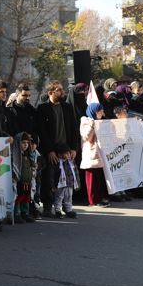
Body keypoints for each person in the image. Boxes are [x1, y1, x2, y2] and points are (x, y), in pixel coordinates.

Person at [36, 80, 79, 210]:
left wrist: (74, 148)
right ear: (50, 92)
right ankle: (49, 207)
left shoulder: (67, 107)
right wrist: (49, 151)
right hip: (51, 151)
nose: (62, 92)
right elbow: (42, 132)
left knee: (67, 181)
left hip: (66, 150)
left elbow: (73, 128)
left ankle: (67, 207)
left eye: (62, 89)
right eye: (59, 90)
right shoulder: (43, 108)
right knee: (50, 180)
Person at [80, 103, 110, 207]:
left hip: (100, 154)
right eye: (100, 111)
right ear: (94, 112)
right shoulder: (86, 122)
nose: (102, 113)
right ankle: (93, 201)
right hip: (91, 154)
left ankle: (100, 198)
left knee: (99, 179)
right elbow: (86, 137)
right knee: (91, 179)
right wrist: (92, 125)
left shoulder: (101, 122)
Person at [11, 133, 37, 223]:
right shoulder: (15, 156)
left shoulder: (28, 155)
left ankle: (24, 213)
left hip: (27, 181)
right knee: (18, 198)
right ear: (18, 143)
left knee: (26, 198)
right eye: (23, 142)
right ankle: (16, 214)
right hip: (19, 181)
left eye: (27, 142)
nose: (26, 144)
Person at [51, 146, 79, 219]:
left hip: (69, 183)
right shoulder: (57, 163)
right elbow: (54, 174)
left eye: (69, 153)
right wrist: (53, 185)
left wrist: (77, 183)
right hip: (60, 184)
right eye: (66, 153)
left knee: (69, 197)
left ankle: (68, 210)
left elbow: (75, 172)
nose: (68, 155)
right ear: (60, 155)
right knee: (59, 197)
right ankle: (57, 211)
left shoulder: (71, 162)